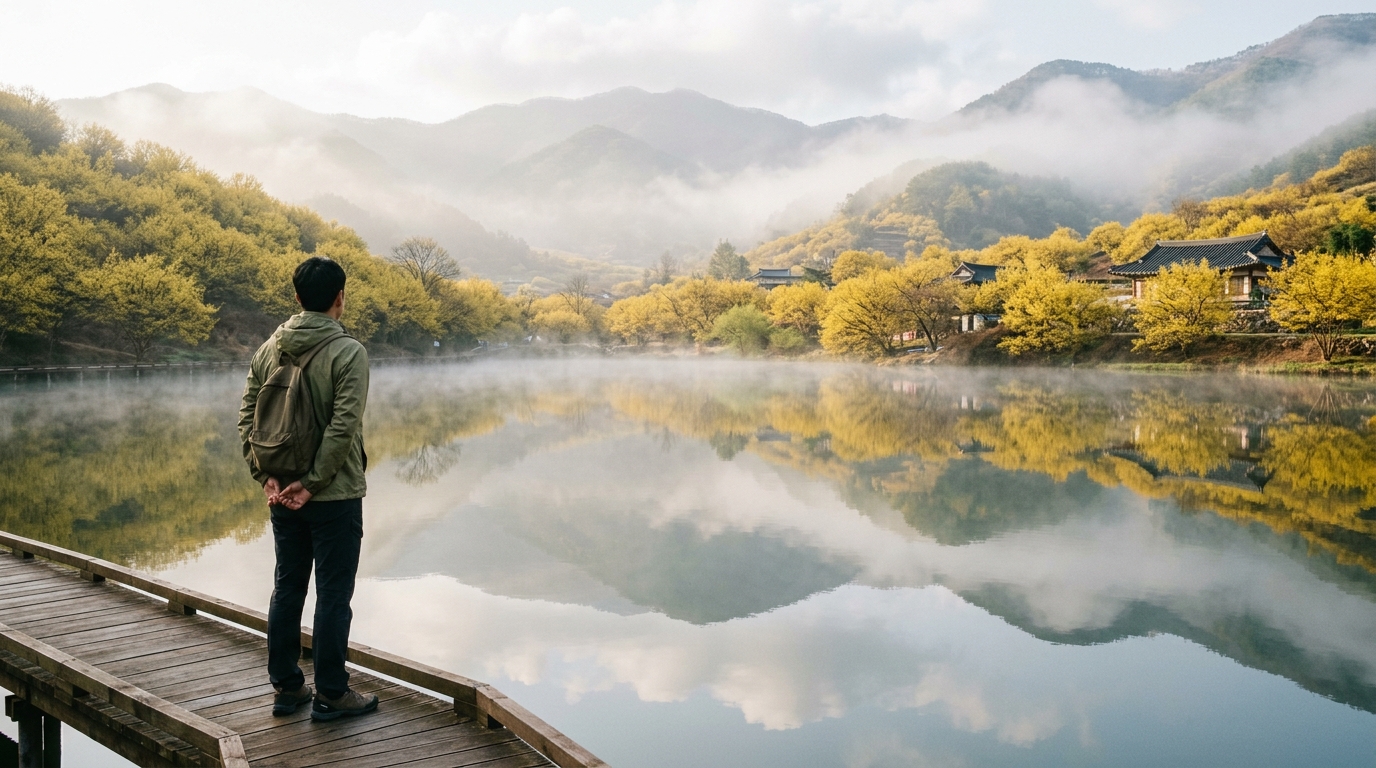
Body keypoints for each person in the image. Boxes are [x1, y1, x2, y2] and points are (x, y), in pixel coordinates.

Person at [238, 256, 378, 721]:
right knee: (333, 595)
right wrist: (313, 483)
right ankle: (332, 693)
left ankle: (287, 687)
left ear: (297, 297)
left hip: (282, 493)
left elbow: (247, 418)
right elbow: (343, 427)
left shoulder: (268, 348)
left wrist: (266, 476)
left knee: (287, 586)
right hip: (334, 496)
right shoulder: (349, 352)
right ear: (340, 298)